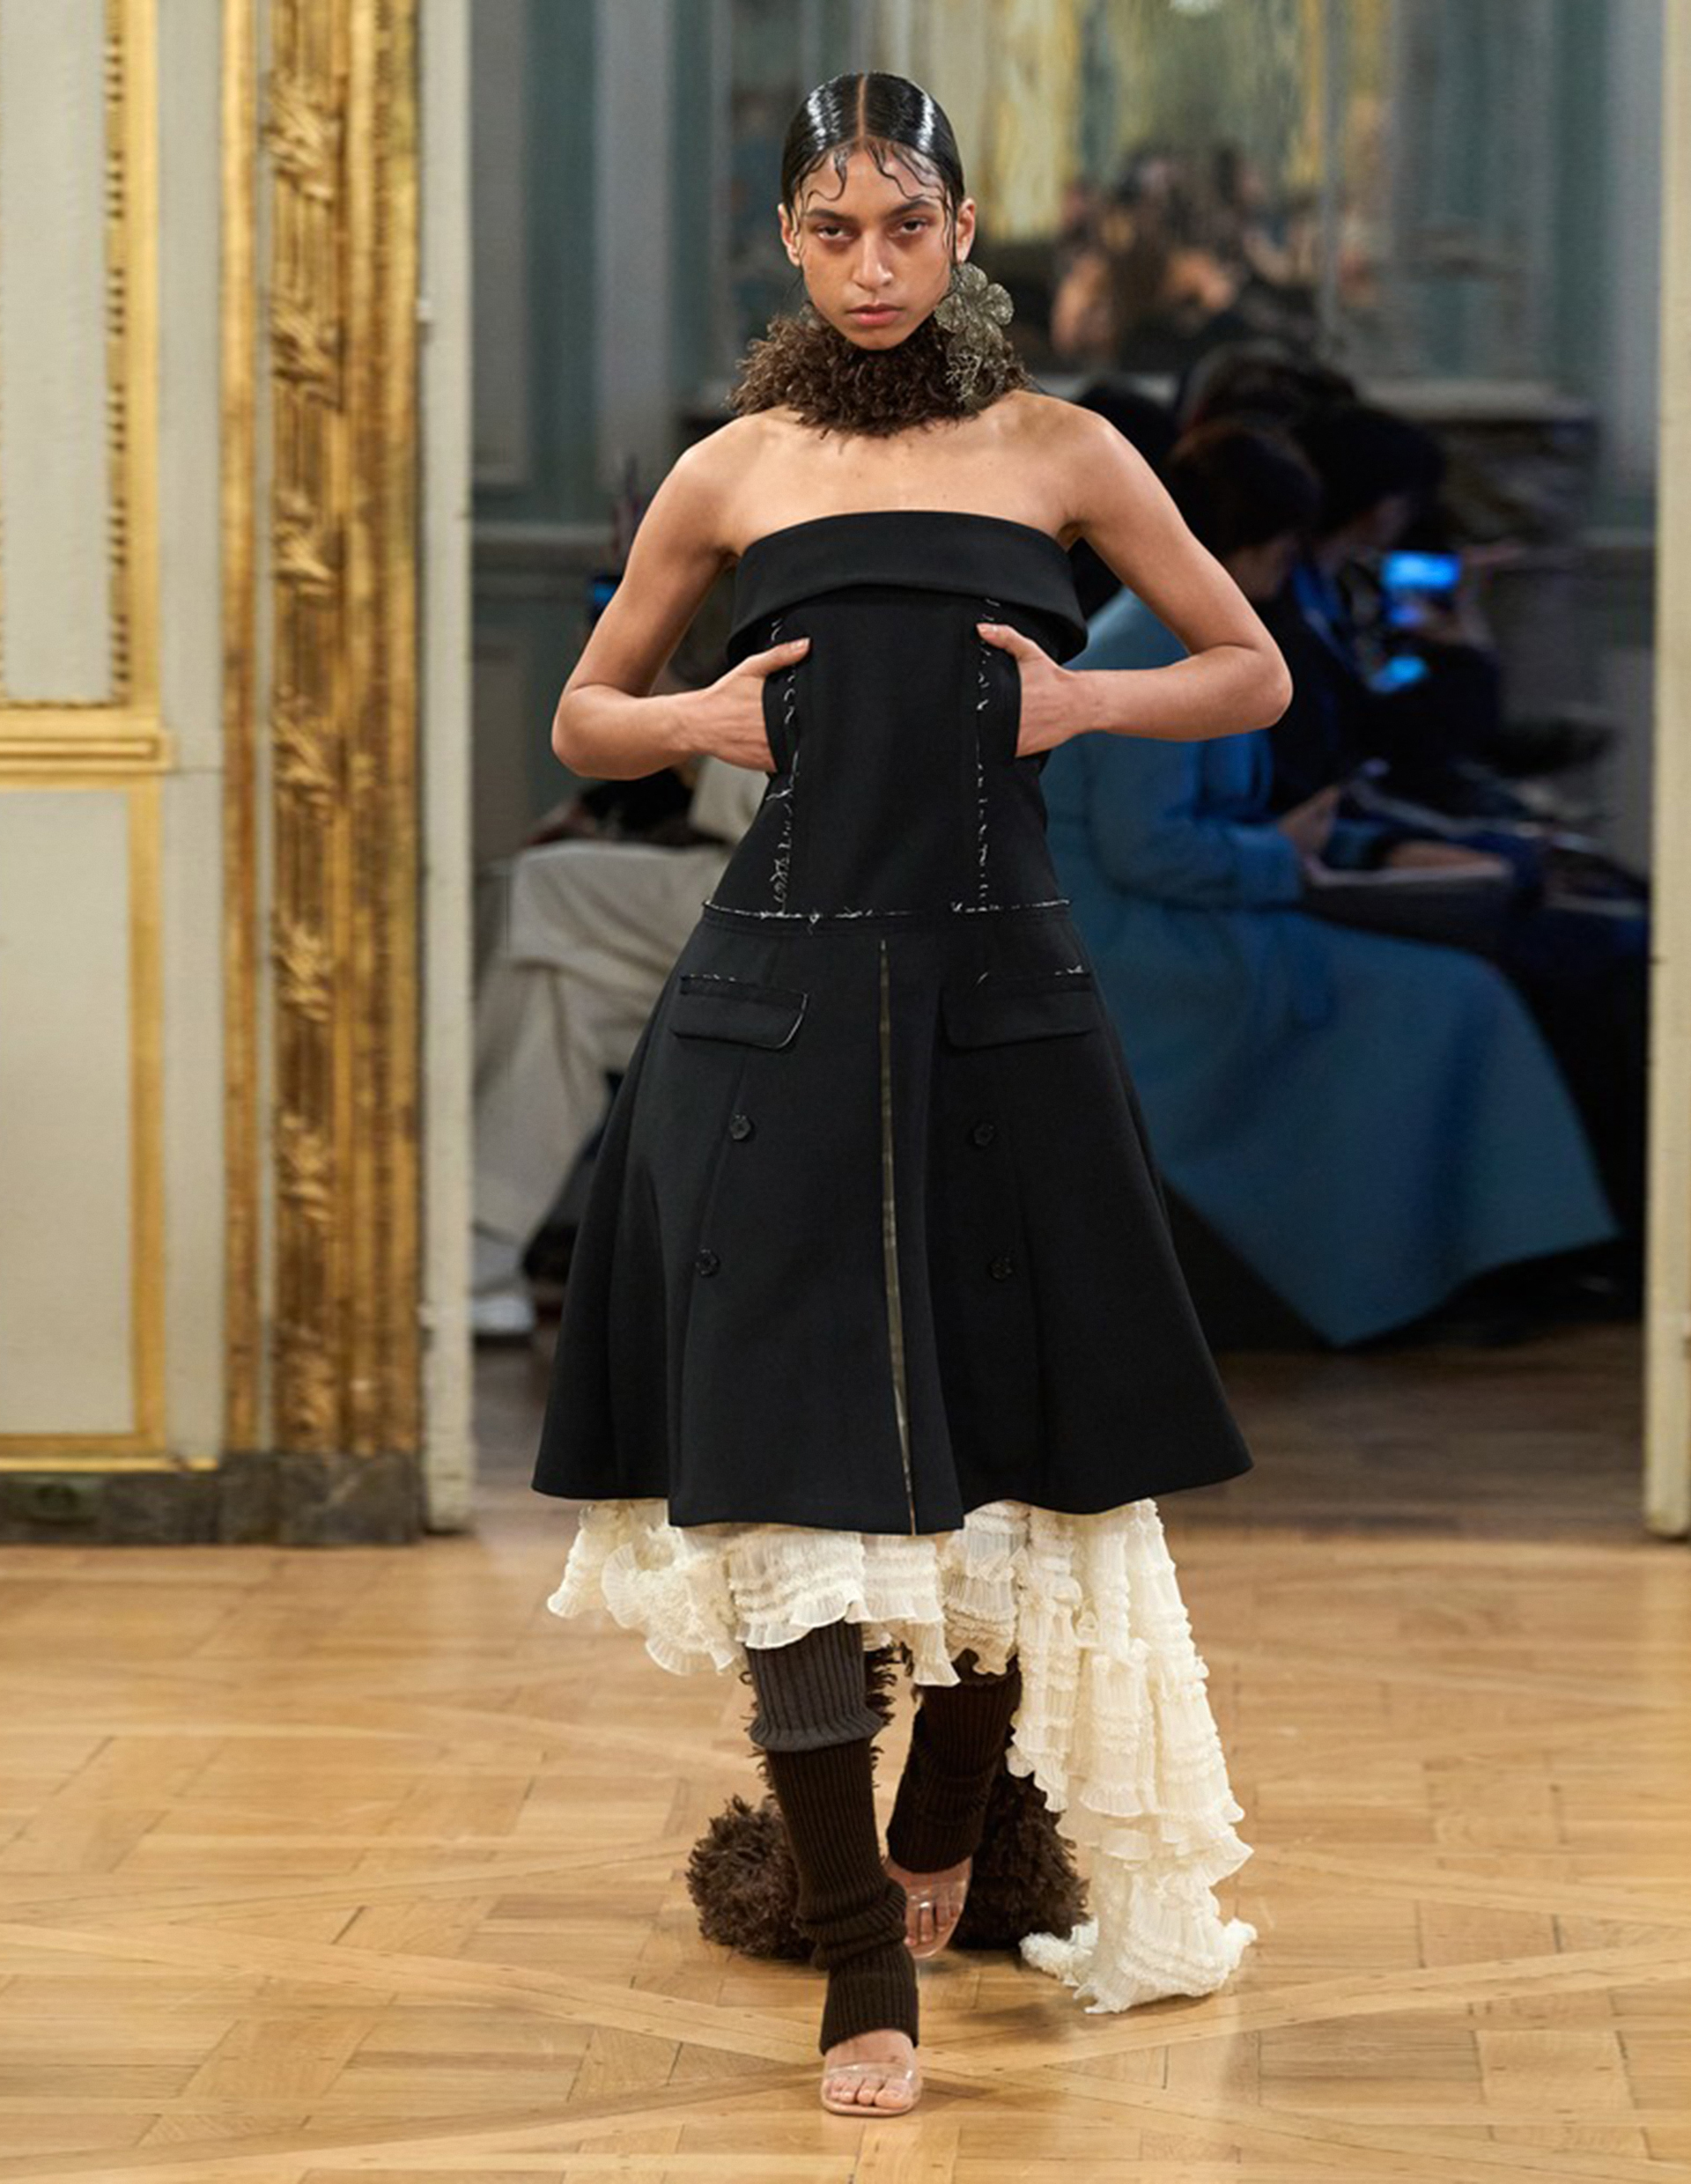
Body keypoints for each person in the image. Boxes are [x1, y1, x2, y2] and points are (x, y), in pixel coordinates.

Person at [530, 73, 1292, 2118]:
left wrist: (1086, 698)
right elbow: (587, 710)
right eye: (832, 229)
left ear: (962, 234)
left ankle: (952, 1816)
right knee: (778, 1479)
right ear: (789, 240)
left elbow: (1251, 670)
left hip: (1001, 1009)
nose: (870, 264)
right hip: (768, 1014)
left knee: (1022, 1462)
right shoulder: (732, 468)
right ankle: (860, 1955)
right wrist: (687, 718)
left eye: (905, 227)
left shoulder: (1064, 448)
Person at [1042, 421, 1621, 1347]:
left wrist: (1330, 848)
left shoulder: (1171, 630)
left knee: (1453, 989)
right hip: (1152, 955)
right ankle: (1450, 1267)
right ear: (1255, 546)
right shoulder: (1150, 643)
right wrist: (1292, 858)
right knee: (1448, 998)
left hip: (1188, 920)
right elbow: (1148, 851)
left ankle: (1474, 1262)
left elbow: (1215, 823)